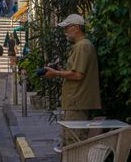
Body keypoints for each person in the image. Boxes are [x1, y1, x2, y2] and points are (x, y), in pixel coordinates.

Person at [44, 14, 102, 147]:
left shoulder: (82, 46)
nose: (65, 32)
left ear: (76, 28)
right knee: (71, 139)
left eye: (66, 28)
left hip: (77, 101)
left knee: (74, 141)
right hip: (76, 101)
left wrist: (56, 73)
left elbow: (77, 75)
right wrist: (59, 70)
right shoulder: (82, 46)